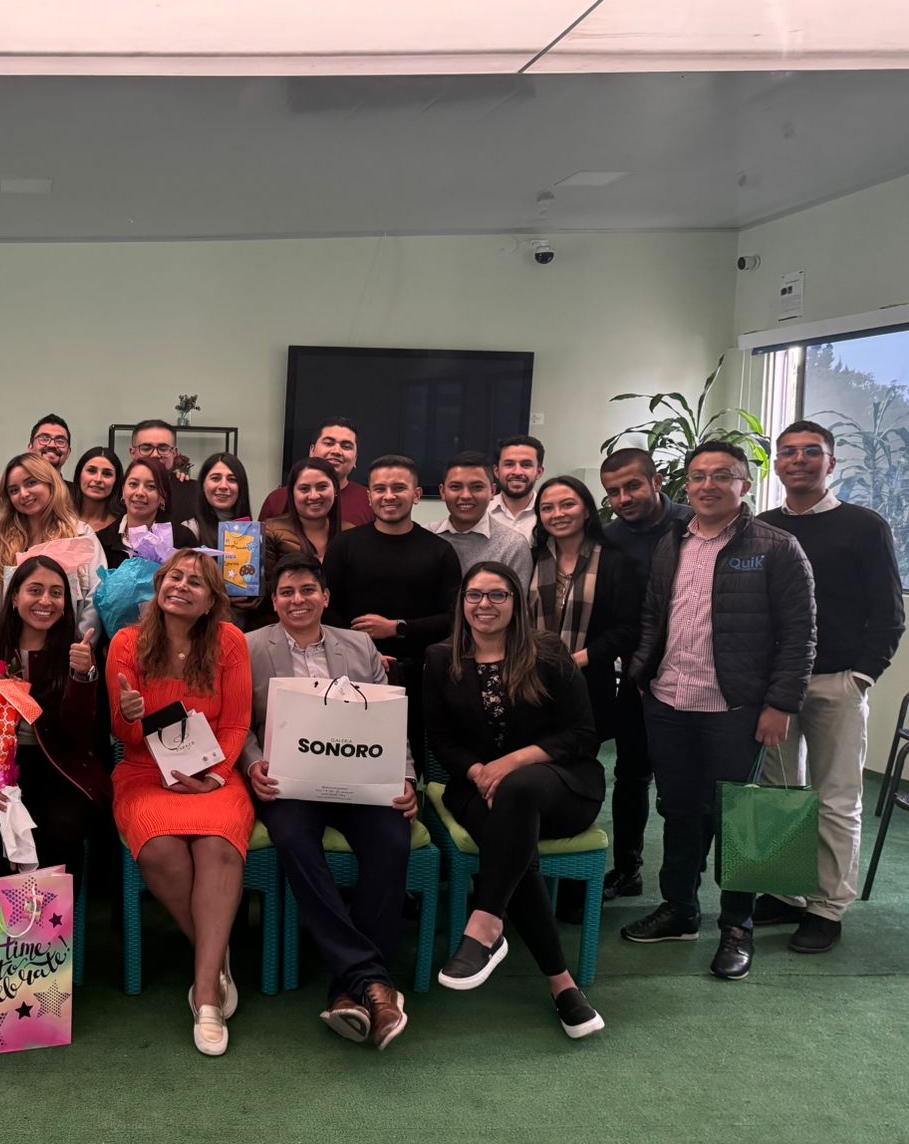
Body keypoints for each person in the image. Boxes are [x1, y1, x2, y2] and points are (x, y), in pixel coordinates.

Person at [623, 441, 816, 982]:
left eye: (722, 476)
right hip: (669, 700)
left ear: (744, 485)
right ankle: (680, 910)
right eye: (698, 476)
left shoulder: (777, 547)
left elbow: (800, 634)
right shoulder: (672, 542)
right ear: (686, 484)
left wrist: (780, 704)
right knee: (679, 810)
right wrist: (642, 675)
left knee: (742, 816)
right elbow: (653, 615)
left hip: (737, 706)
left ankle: (738, 927)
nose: (708, 485)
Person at [424, 561, 606, 1039]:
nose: (484, 605)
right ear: (462, 603)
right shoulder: (441, 658)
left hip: (563, 786)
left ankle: (485, 923)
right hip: (477, 788)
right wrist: (477, 770)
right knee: (513, 842)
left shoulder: (548, 652)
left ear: (516, 603)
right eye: (475, 595)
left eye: (497, 595)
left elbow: (583, 733)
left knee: (518, 791)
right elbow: (440, 739)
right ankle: (562, 985)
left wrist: (512, 762)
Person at [241, 553, 415, 1049]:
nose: (298, 600)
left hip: (360, 779)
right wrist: (253, 764)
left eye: (307, 590)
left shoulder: (359, 645)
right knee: (294, 838)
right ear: (274, 601)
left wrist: (404, 776)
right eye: (287, 593)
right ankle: (373, 982)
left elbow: (390, 720)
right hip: (290, 782)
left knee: (393, 839)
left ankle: (348, 988)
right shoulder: (249, 647)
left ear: (325, 597)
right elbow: (236, 721)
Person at [752, 420, 903, 953]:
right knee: (778, 794)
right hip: (775, 687)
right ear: (776, 465)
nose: (798, 460)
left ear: (831, 462)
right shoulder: (762, 527)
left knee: (837, 798)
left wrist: (862, 676)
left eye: (811, 452)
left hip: (837, 681)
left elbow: (888, 612)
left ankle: (827, 906)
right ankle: (784, 891)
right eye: (788, 452)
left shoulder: (865, 526)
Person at [108, 551, 253, 1056]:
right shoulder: (127, 643)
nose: (182, 586)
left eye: (196, 582)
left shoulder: (230, 642)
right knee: (159, 847)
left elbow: (236, 723)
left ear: (212, 600)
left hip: (214, 772)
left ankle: (206, 993)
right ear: (159, 584)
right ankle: (214, 957)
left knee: (218, 845)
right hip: (146, 772)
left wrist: (214, 777)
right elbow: (124, 734)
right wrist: (129, 715)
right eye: (175, 577)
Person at [0, 556, 111, 877]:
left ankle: (50, 912)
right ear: (15, 597)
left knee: (60, 831)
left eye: (56, 593)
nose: (46, 601)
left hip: (60, 768)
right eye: (35, 590)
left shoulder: (77, 651)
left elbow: (80, 735)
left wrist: (82, 676)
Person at [597, 447, 693, 899]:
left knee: (685, 786)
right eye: (613, 492)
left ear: (657, 481)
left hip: (697, 675)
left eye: (632, 486)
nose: (623, 498)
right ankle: (627, 869)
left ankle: (685, 888)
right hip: (638, 677)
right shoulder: (610, 538)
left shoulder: (695, 525)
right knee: (631, 775)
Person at [324, 455, 462, 765]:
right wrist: (365, 652)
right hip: (352, 670)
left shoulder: (440, 551)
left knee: (405, 761)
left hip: (416, 675)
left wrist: (398, 628)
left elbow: (453, 618)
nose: (389, 496)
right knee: (345, 756)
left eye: (399, 488)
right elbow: (327, 610)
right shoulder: (345, 545)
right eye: (380, 489)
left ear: (416, 494)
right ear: (369, 495)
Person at [528, 475, 641, 750]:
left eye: (568, 505)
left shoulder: (615, 562)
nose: (557, 514)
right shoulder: (531, 558)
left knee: (580, 759)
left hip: (590, 681)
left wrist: (574, 661)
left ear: (587, 510)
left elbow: (628, 629)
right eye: (547, 508)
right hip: (532, 679)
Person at [0, 453, 106, 635]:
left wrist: (81, 642)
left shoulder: (80, 534)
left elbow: (97, 594)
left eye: (31, 483)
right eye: (14, 490)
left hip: (68, 643)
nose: (24, 494)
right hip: (10, 643)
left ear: (50, 483)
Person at [430, 450, 532, 590]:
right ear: (443, 492)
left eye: (477, 487)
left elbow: (517, 601)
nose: (466, 495)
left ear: (492, 491)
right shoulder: (427, 536)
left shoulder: (512, 545)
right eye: (455, 487)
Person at [259, 458, 341, 625]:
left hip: (338, 630)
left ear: (335, 490)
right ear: (292, 493)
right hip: (281, 629)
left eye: (322, 487)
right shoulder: (269, 531)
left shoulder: (350, 533)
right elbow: (261, 595)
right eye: (304, 489)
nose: (314, 495)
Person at [257, 417, 374, 530]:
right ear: (312, 451)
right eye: (329, 443)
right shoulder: (277, 499)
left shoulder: (371, 500)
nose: (337, 451)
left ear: (355, 459)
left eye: (346, 446)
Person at [97, 458, 199, 569]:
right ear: (123, 490)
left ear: (162, 496)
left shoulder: (181, 538)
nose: (140, 492)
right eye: (133, 484)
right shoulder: (102, 541)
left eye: (151, 486)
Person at [129, 418, 200, 524]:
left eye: (163, 449)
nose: (155, 455)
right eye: (146, 448)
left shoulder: (196, 492)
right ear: (133, 453)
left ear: (174, 453)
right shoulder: (117, 491)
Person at [184, 452, 254, 549]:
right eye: (216, 478)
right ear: (202, 485)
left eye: (232, 479)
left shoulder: (254, 532)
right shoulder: (189, 530)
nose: (223, 486)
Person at [489, 435, 546, 541]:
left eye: (526, 465)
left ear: (539, 472)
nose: (517, 472)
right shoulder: (481, 512)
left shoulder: (550, 515)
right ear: (496, 471)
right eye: (509, 464)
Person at [70, 446, 123, 534]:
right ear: (79, 475)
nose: (98, 479)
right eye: (91, 471)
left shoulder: (124, 526)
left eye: (107, 474)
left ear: (116, 481)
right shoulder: (59, 518)